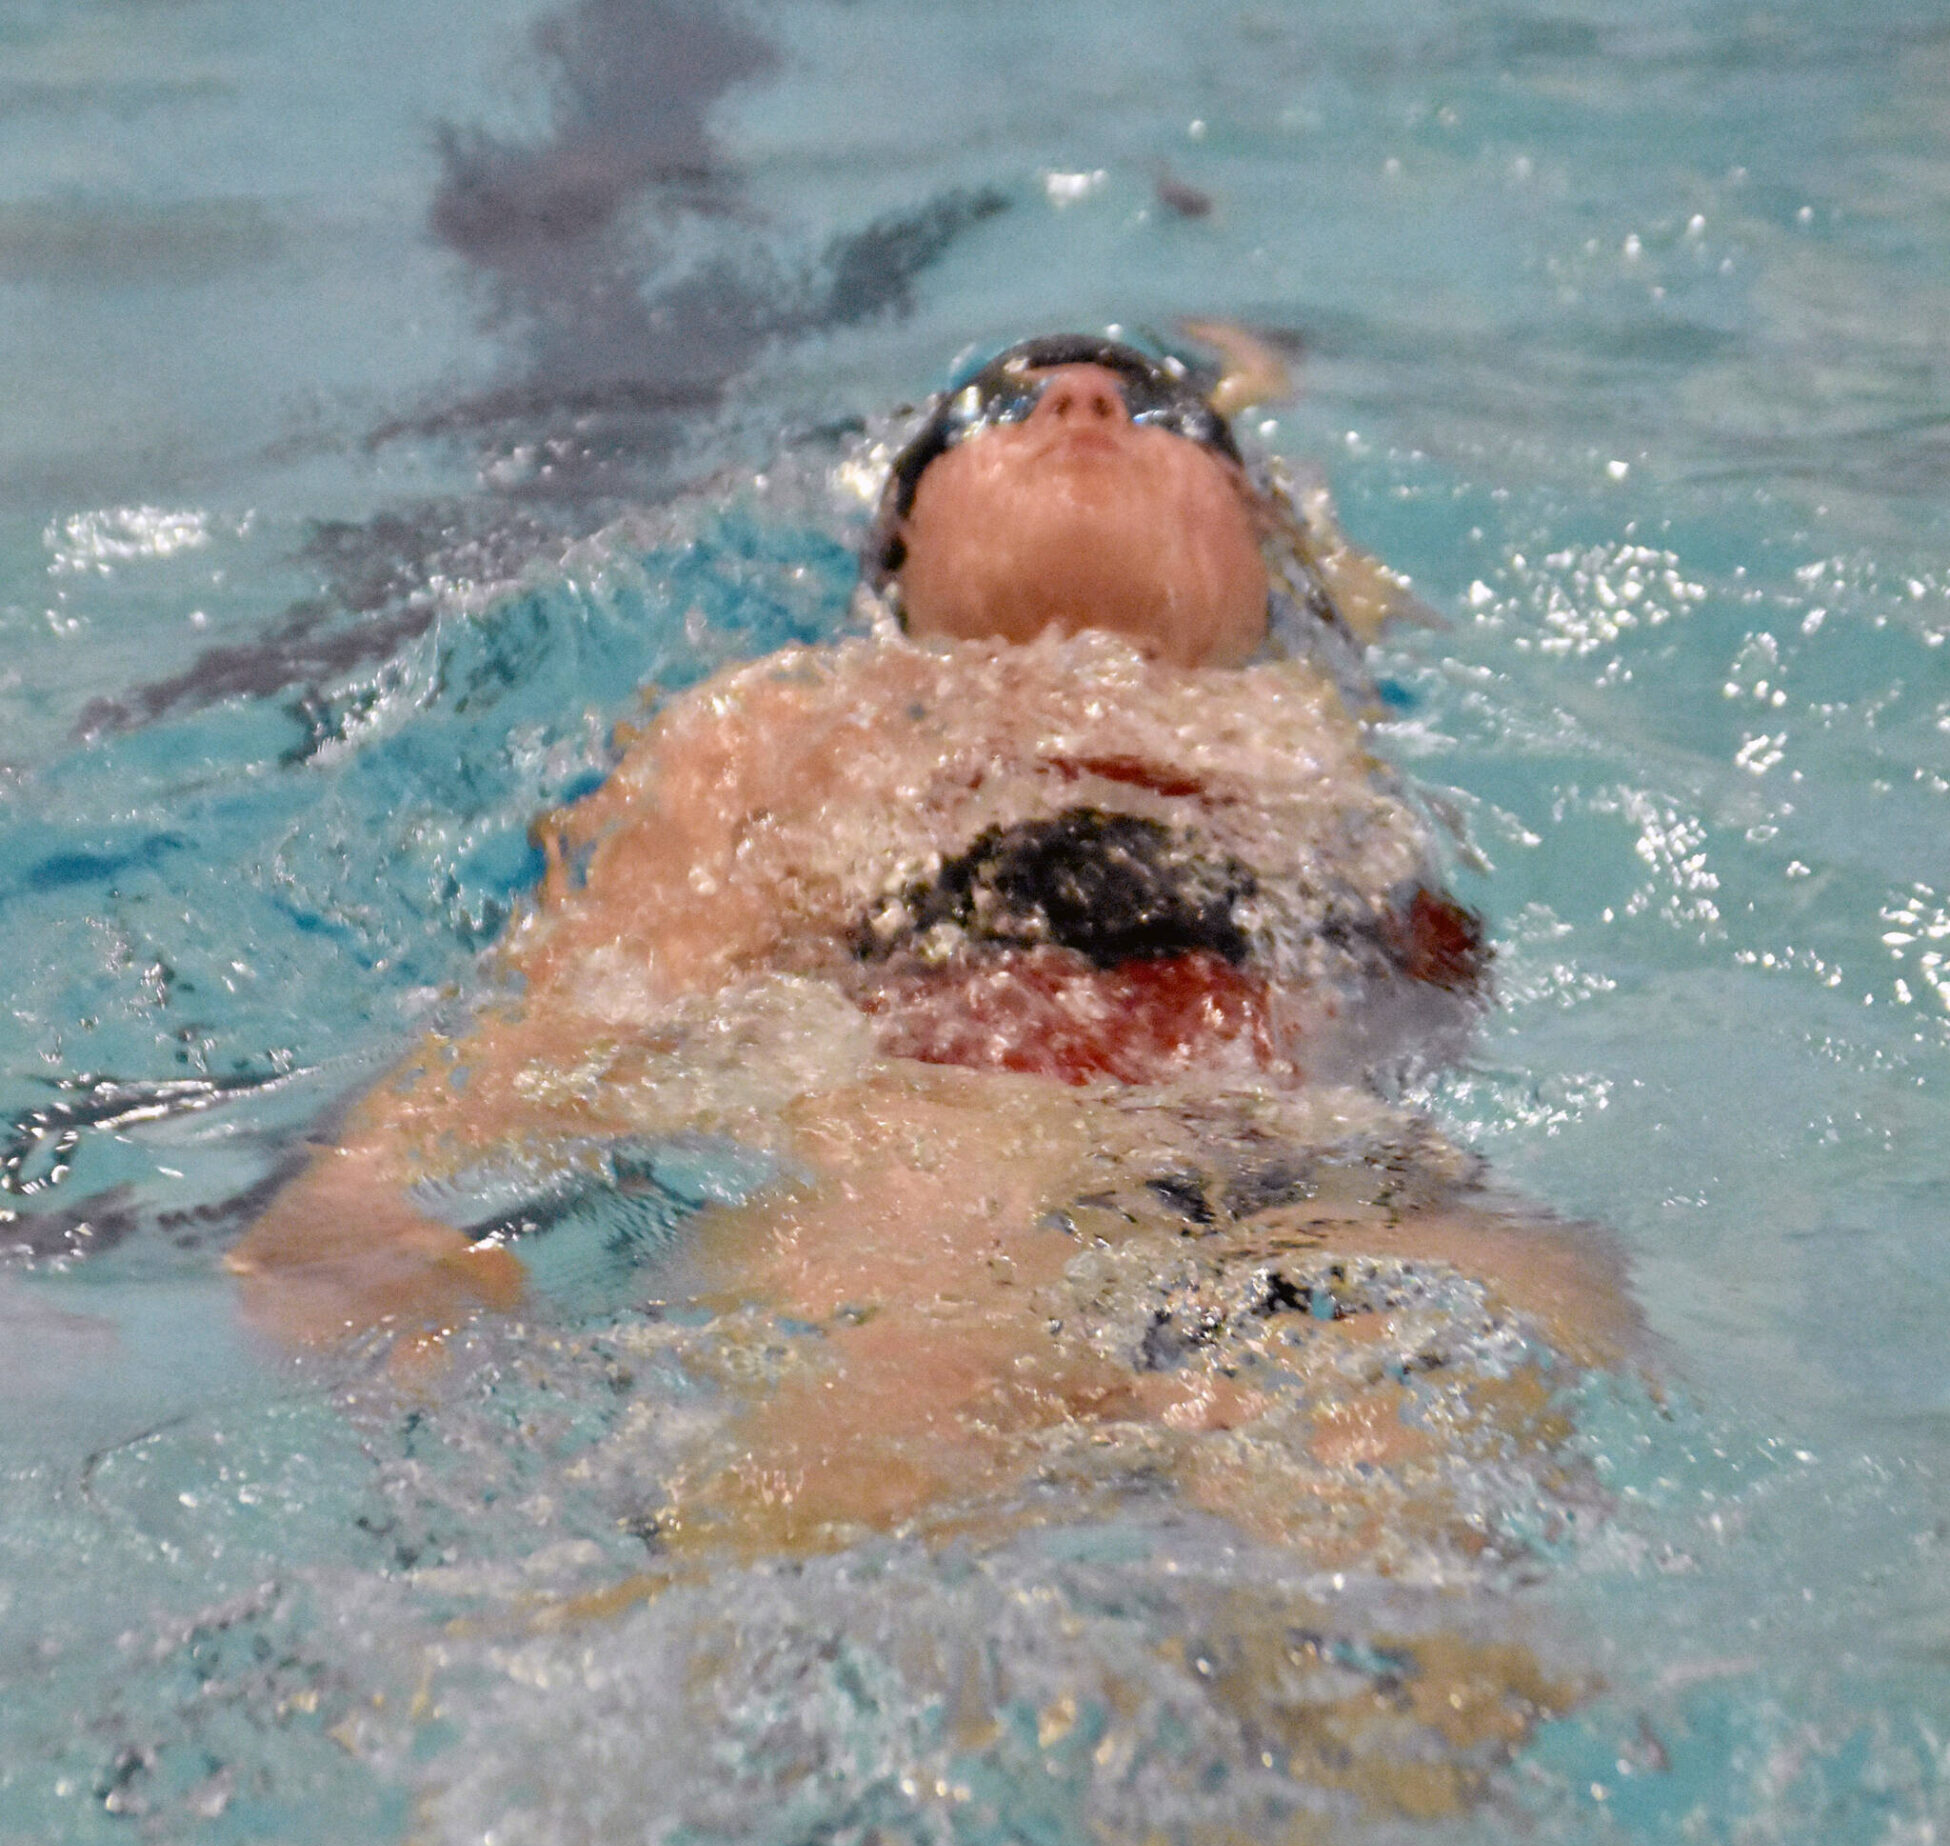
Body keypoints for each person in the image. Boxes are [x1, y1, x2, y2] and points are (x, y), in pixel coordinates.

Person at [231, 331, 1630, 1556]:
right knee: (864, 1495)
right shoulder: (797, 718)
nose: (1083, 404)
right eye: (991, 412)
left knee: (1442, 1496)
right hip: (944, 1163)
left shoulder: (1321, 724)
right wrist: (369, 1182)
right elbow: (614, 974)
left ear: (1259, 537)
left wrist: (1242, 370)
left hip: (1326, 1166)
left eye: (1159, 417)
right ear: (897, 549)